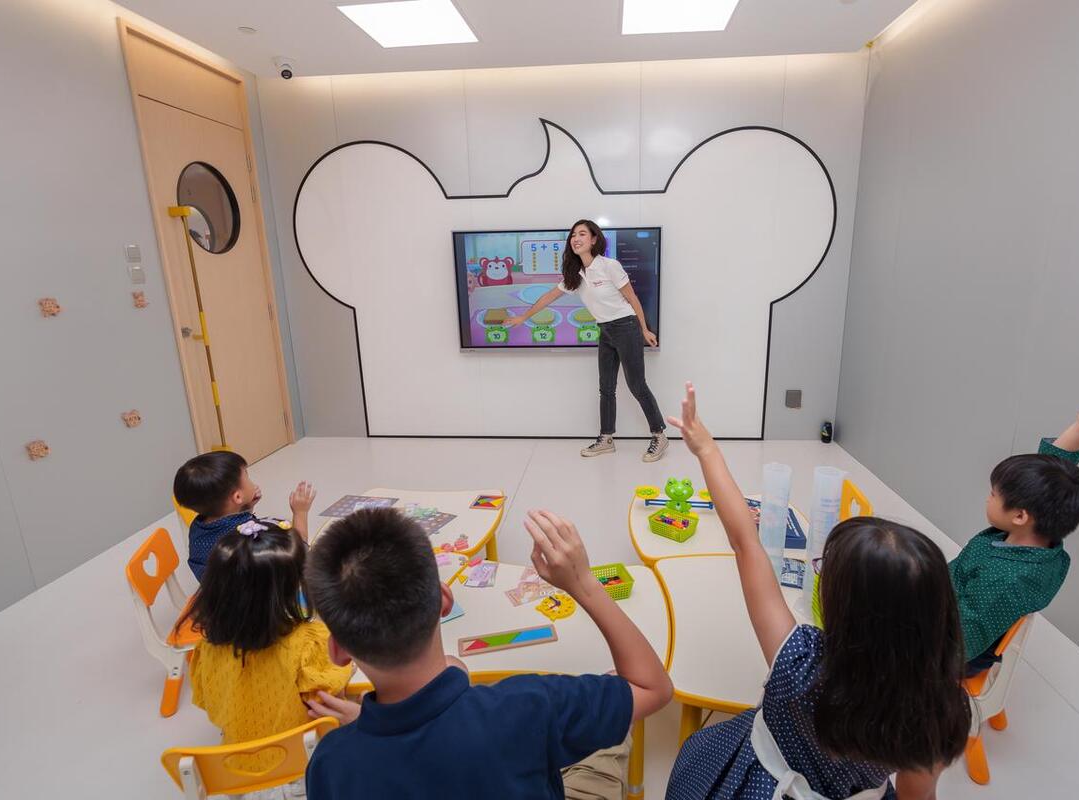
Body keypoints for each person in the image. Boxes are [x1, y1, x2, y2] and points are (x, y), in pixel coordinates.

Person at [666, 382, 969, 799]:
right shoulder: (941, 706)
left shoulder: (800, 661)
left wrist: (706, 451)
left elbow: (745, 541)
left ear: (845, 607)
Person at [302, 507, 673, 799]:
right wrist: (583, 583)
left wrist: (369, 726)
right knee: (611, 694)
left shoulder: (331, 763)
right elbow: (652, 688)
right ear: (444, 600)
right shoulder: (527, 706)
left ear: (338, 650)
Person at [952, 386, 1079, 673]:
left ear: (1019, 515)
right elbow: (1052, 469)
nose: (988, 498)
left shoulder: (1006, 580)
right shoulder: (1041, 534)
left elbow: (960, 645)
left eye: (993, 494)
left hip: (954, 647)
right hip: (954, 601)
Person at [183, 518, 352, 771]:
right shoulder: (308, 642)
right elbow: (329, 707)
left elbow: (210, 704)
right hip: (302, 764)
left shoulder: (207, 647)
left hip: (234, 767)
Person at [506, 219, 668, 462]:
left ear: (593, 240)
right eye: (573, 235)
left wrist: (644, 329)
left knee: (636, 384)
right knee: (606, 388)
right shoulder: (576, 274)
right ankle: (606, 438)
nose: (576, 238)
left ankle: (659, 435)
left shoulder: (609, 265)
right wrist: (523, 317)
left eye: (582, 234)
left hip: (626, 327)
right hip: (606, 331)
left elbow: (633, 299)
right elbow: (550, 296)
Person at [172, 450, 315, 581]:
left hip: (219, 597)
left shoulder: (198, 527)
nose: (252, 483)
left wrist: (248, 506)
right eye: (248, 477)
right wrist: (300, 512)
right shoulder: (248, 539)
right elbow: (298, 556)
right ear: (238, 497)